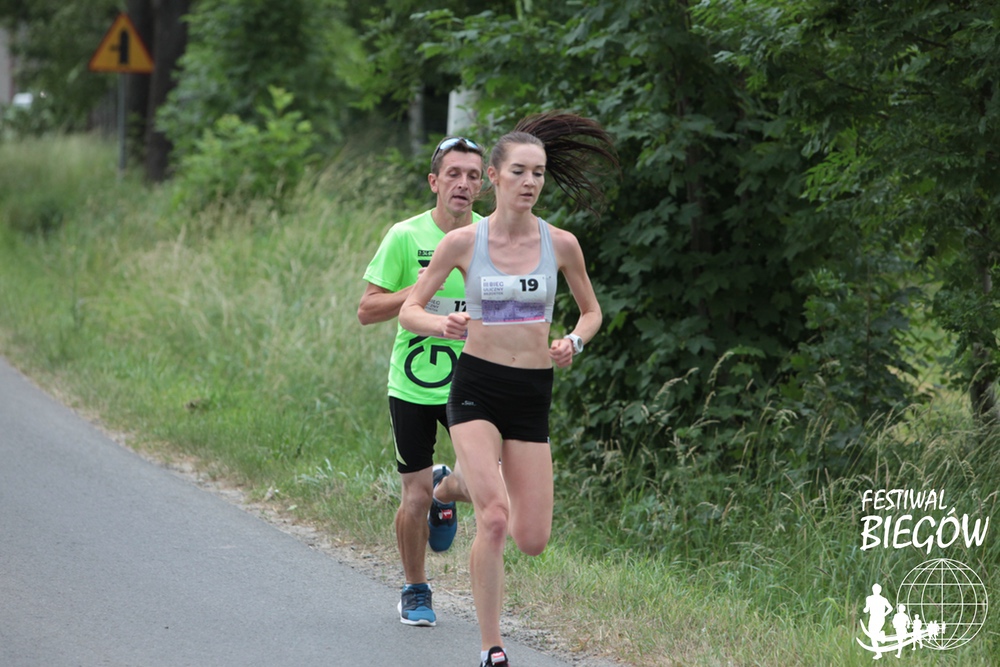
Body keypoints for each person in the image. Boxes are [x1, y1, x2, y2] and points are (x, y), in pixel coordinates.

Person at [399, 111, 618, 667]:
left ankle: (446, 487)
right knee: (494, 517)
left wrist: (574, 341)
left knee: (532, 538)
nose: (530, 182)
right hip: (476, 387)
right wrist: (442, 324)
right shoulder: (463, 242)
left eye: (538, 173)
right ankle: (491, 648)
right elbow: (409, 310)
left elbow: (592, 312)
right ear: (493, 177)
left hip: (531, 394)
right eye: (519, 171)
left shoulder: (561, 244)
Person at [358, 135, 483, 627]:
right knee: (412, 497)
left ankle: (444, 492)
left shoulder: (492, 238)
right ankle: (415, 588)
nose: (463, 184)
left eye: (473, 176)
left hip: (475, 381)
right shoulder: (405, 236)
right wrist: (422, 287)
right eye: (453, 174)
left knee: (484, 484)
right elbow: (368, 310)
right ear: (434, 181)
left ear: (483, 186)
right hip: (412, 383)